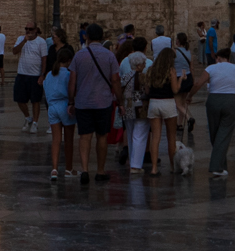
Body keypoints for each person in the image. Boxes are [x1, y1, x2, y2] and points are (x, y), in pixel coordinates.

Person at [67, 23, 120, 183]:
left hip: (83, 102)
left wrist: (71, 101)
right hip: (103, 102)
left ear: (87, 37)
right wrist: (121, 100)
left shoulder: (79, 56)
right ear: (102, 37)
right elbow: (115, 80)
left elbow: (72, 81)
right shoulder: (110, 56)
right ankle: (100, 170)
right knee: (102, 136)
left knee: (84, 136)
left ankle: (84, 170)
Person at [195, 45, 235, 177]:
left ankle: (217, 166)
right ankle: (220, 166)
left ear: (220, 58)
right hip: (230, 101)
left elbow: (198, 83)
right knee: (224, 134)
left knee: (215, 134)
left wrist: (189, 97)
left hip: (213, 101)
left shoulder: (211, 68)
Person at [143, 42, 182, 176]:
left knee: (155, 137)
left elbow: (147, 90)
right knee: (171, 137)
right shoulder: (171, 70)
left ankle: (154, 168)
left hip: (154, 103)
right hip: (168, 103)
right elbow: (175, 90)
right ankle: (172, 166)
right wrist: (181, 79)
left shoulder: (151, 70)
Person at [42, 44, 75, 181]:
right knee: (68, 140)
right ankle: (68, 169)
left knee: (56, 140)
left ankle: (54, 169)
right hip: (65, 106)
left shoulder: (49, 74)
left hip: (52, 107)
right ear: (69, 61)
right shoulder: (68, 74)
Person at [119, 38, 152, 172]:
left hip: (128, 107)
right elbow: (141, 93)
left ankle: (133, 160)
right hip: (139, 108)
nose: (145, 64)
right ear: (139, 64)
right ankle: (136, 165)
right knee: (140, 134)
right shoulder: (142, 77)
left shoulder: (126, 76)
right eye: (143, 63)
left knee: (131, 133)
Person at [12, 24, 49, 131]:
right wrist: (24, 41)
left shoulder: (41, 42)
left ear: (36, 30)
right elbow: (14, 51)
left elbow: (44, 59)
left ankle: (35, 123)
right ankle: (28, 117)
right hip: (22, 74)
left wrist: (42, 75)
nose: (28, 31)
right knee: (19, 99)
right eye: (26, 29)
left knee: (35, 100)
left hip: (35, 75)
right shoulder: (21, 39)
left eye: (30, 29)